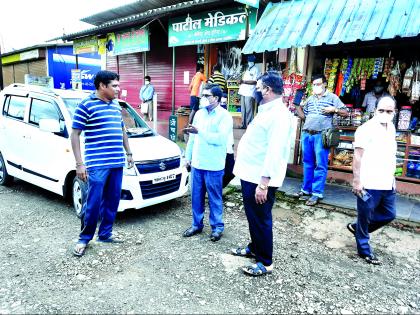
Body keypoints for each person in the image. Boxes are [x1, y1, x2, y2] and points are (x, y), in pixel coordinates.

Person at [231, 72, 293, 276]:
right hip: (250, 175)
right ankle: (255, 247)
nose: (255, 91)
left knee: (261, 219)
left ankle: (265, 262)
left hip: (260, 179)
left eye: (257, 88)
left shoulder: (279, 115)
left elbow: (275, 152)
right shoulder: (266, 110)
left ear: (267, 89)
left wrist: (264, 184)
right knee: (253, 217)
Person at [71, 70, 134, 257]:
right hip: (97, 164)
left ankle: (105, 233)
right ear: (101, 86)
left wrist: (128, 152)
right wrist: (79, 164)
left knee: (113, 200)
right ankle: (84, 238)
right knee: (93, 202)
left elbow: (122, 129)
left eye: (118, 85)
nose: (118, 89)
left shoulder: (115, 105)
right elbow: (74, 135)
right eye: (114, 85)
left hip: (116, 162)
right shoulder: (86, 105)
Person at [347, 96, 397, 265]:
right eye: (381, 110)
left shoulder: (391, 128)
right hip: (368, 182)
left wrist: (393, 179)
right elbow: (358, 156)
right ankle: (364, 250)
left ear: (394, 112)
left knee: (389, 214)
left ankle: (358, 230)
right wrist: (357, 180)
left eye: (389, 111)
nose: (385, 114)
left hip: (387, 182)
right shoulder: (365, 129)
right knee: (365, 216)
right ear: (375, 110)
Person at [183, 83, 233, 242]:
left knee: (214, 198)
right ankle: (196, 225)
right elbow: (192, 137)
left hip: (214, 165)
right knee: (196, 197)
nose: (202, 99)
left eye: (206, 96)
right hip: (197, 163)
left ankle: (217, 227)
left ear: (216, 98)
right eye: (202, 95)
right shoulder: (198, 113)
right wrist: (187, 157)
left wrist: (200, 132)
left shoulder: (224, 116)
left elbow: (220, 139)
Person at [294, 74, 349, 206]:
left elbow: (345, 112)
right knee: (307, 162)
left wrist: (334, 109)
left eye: (318, 84)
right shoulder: (310, 98)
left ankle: (316, 193)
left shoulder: (332, 97)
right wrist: (297, 107)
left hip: (321, 135)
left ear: (325, 84)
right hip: (307, 134)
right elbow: (303, 115)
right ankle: (306, 189)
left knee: (320, 164)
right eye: (314, 84)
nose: (316, 87)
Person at [238, 55, 260, 129]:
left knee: (249, 110)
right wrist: (241, 82)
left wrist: (243, 81)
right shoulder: (247, 69)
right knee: (243, 110)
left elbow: (254, 81)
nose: (249, 62)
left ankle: (250, 125)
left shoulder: (256, 69)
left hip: (250, 92)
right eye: (249, 61)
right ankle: (243, 124)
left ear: (253, 62)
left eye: (251, 61)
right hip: (243, 91)